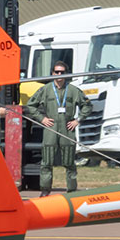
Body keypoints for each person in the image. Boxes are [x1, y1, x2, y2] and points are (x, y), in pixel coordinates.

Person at [25, 61, 92, 197]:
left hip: (67, 128)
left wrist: (78, 120)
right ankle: (45, 190)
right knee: (47, 162)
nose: (59, 74)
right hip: (51, 127)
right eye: (57, 72)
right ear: (52, 73)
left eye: (62, 72)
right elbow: (31, 105)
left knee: (69, 162)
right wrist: (41, 119)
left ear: (66, 74)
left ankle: (72, 191)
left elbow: (87, 105)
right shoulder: (45, 90)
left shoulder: (73, 90)